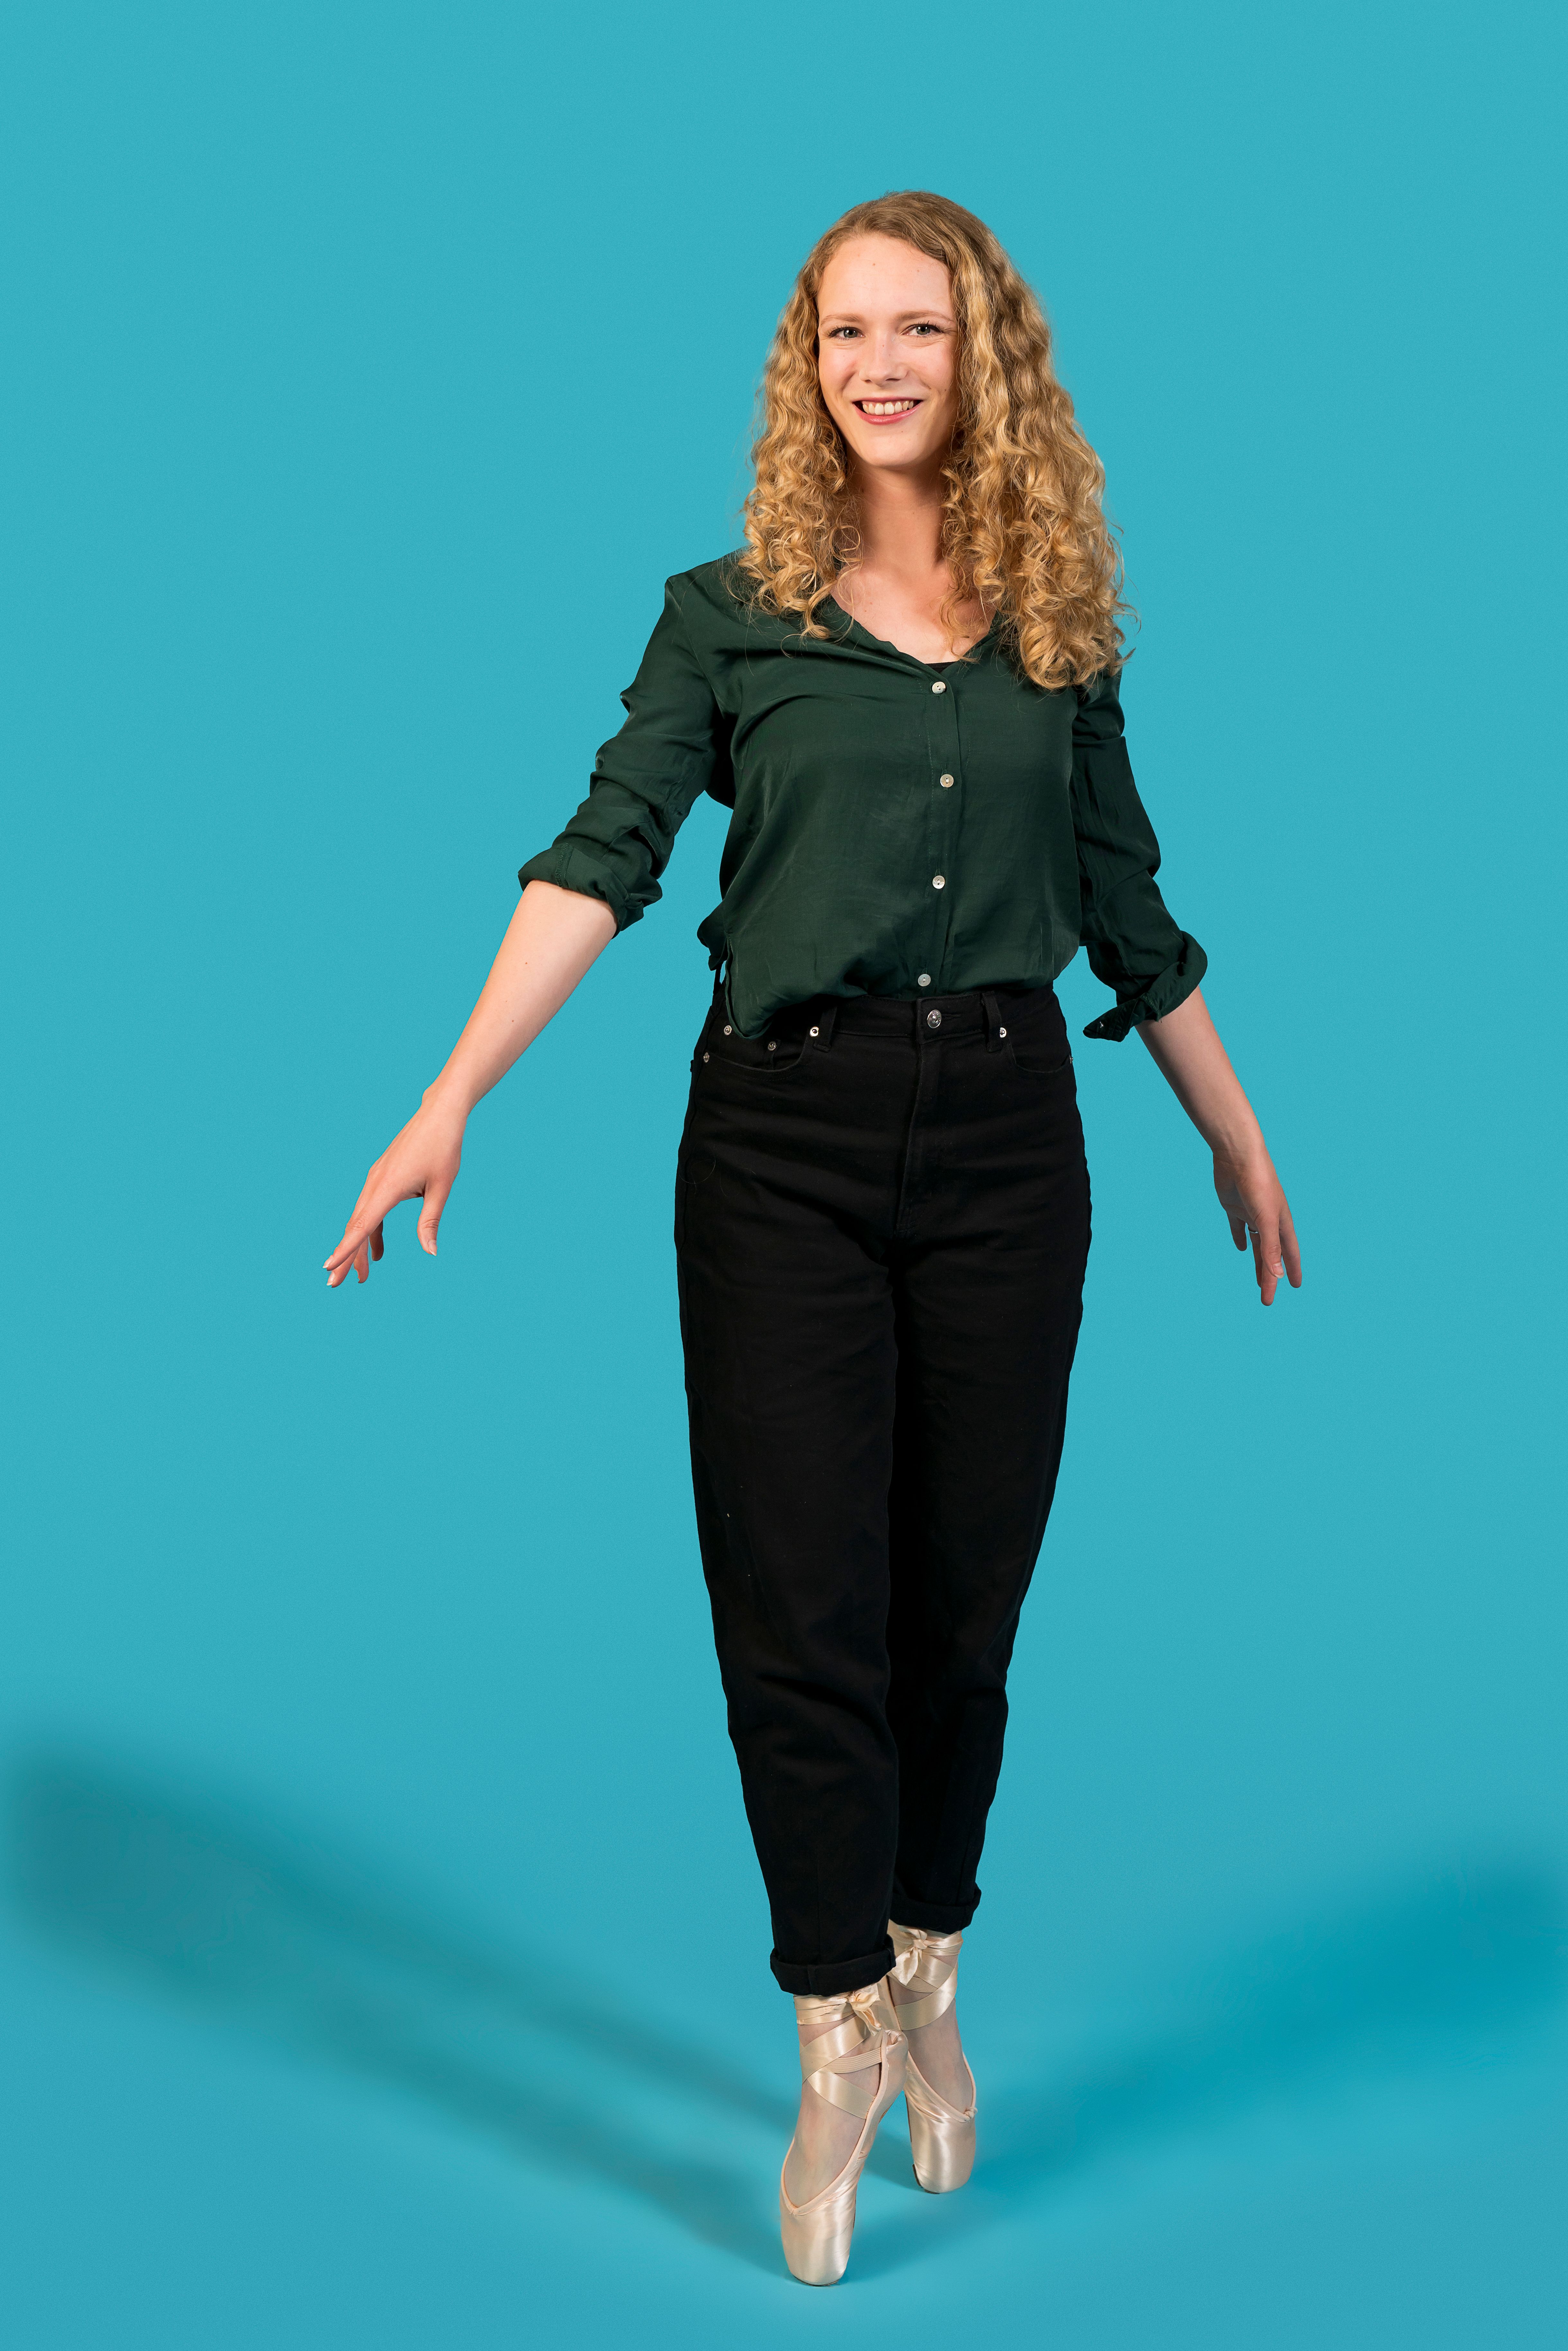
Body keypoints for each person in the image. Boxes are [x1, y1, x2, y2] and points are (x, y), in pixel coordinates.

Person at [325, 190, 1301, 2285]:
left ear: (983, 357)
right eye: (845, 330)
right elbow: (603, 854)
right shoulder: (727, 617)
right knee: (799, 1598)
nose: (879, 365)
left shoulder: (1060, 629)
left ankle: (927, 1962)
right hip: (781, 1144)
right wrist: (451, 1091)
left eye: (918, 329)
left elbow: (1129, 903)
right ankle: (834, 2023)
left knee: (964, 1600)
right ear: (808, 363)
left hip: (1013, 1142)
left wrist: (1232, 1132)